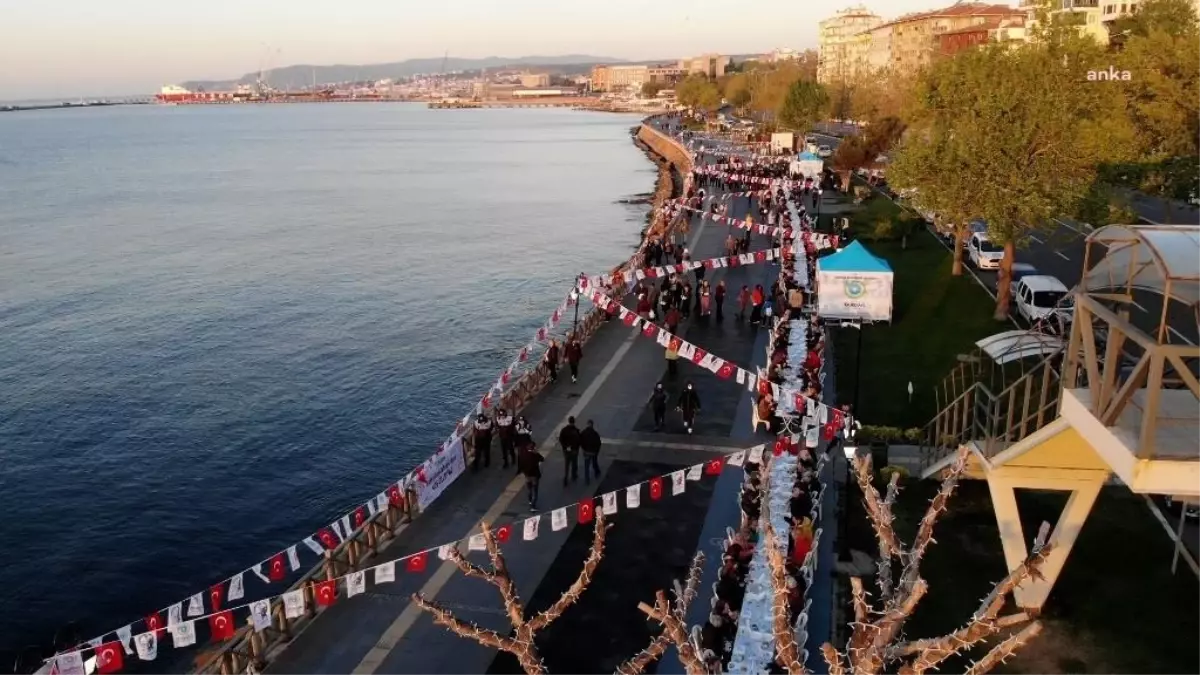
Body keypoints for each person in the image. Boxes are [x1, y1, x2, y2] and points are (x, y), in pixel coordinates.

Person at [518, 444, 545, 511]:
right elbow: (542, 459)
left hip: (527, 475)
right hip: (534, 476)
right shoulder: (535, 455)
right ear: (533, 449)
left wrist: (525, 472)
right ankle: (533, 506)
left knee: (529, 489)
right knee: (535, 491)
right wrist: (537, 453)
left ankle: (530, 501)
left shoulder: (523, 455)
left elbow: (521, 465)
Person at [559, 416, 582, 485]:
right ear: (574, 422)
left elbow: (561, 439)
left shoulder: (564, 430)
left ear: (568, 421)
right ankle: (574, 475)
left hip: (566, 450)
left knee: (567, 464)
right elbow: (579, 441)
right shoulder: (576, 430)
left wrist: (564, 447)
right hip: (574, 450)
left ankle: (565, 478)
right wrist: (577, 447)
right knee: (574, 463)